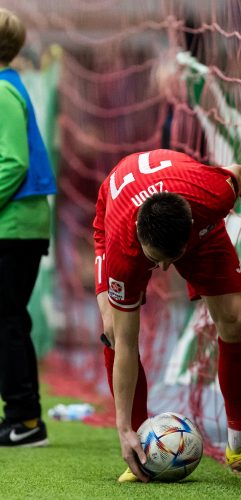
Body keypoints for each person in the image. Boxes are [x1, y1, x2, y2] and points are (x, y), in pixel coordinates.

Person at [93, 148, 241, 483]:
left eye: (169, 260)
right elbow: (129, 348)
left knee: (236, 321)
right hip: (116, 211)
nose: (163, 269)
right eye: (155, 260)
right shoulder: (126, 252)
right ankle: (137, 445)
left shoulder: (209, 197)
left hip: (194, 224)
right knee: (116, 334)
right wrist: (120, 427)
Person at [0, 8, 57, 447]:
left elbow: (14, 162)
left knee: (7, 323)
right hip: (20, 222)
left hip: (15, 224)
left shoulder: (1, 90)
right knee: (8, 320)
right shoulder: (10, 85)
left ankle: (26, 420)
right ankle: (22, 416)